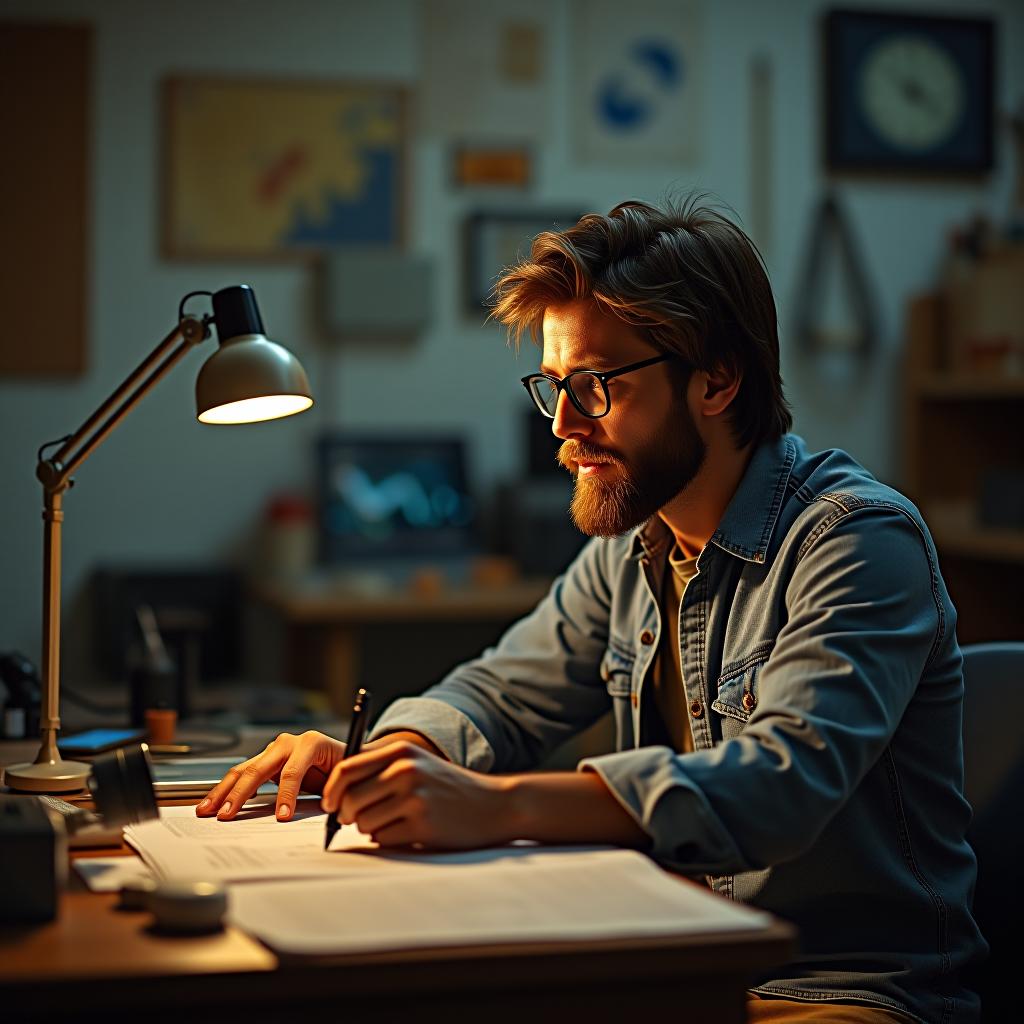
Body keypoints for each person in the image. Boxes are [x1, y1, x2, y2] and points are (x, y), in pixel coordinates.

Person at [198, 197, 985, 1022]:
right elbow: (499, 693)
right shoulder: (632, 546)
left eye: (597, 387)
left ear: (717, 380)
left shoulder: (857, 540)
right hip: (667, 960)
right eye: (555, 387)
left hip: (840, 991)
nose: (563, 428)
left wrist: (500, 806)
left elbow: (782, 785)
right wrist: (390, 760)